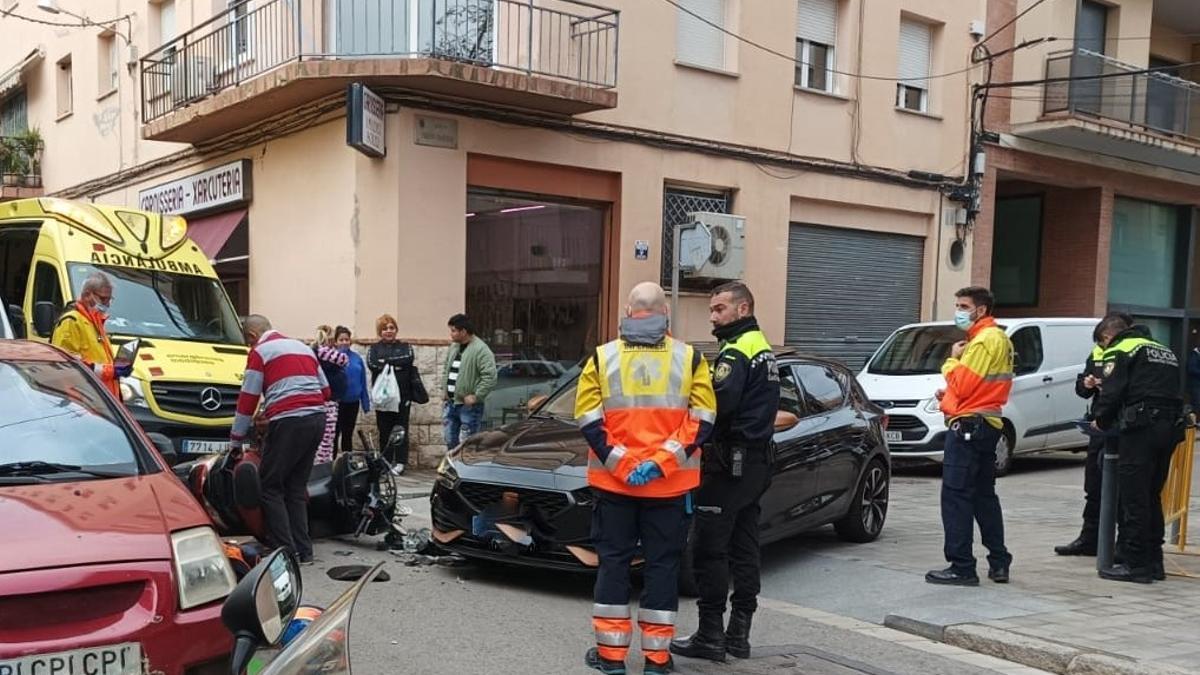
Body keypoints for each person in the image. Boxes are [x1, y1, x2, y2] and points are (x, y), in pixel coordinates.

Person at [576, 282, 717, 675]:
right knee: (662, 567)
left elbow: (588, 417)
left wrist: (622, 463)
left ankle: (611, 658)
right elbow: (703, 419)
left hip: (614, 486)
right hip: (669, 487)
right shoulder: (689, 358)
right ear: (665, 315)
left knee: (614, 565)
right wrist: (660, 464)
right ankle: (656, 660)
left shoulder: (603, 357)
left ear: (627, 311)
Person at [671, 282, 779, 663]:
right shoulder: (762, 348)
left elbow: (717, 408)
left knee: (709, 549)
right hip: (756, 462)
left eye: (719, 309)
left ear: (743, 308)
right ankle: (739, 634)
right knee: (745, 547)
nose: (713, 317)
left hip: (730, 464)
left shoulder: (737, 352)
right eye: (712, 310)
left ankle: (711, 635)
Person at [925, 286, 1015, 587]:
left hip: (968, 427)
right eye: (958, 304)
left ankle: (962, 566)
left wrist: (950, 360)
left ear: (981, 310)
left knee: (956, 496)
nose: (959, 310)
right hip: (987, 423)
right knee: (983, 496)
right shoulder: (1000, 338)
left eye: (964, 305)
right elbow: (979, 387)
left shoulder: (982, 341)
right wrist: (950, 394)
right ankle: (999, 561)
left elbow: (962, 385)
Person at [231, 315, 329, 566]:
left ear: (252, 337)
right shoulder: (303, 347)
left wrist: (236, 440)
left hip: (288, 421)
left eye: (247, 343)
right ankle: (305, 550)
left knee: (270, 486)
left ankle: (284, 551)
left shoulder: (260, 352)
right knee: (296, 487)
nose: (249, 348)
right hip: (316, 418)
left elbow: (247, 399)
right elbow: (325, 390)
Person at [1092, 316, 1183, 583]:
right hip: (1169, 428)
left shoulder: (1121, 348)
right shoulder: (1163, 350)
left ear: (1109, 336)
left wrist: (1100, 419)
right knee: (1152, 495)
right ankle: (1155, 562)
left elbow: (1112, 390)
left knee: (1134, 498)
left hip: (1140, 429)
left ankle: (1136, 565)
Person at [1056, 313, 1132, 557]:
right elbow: (1081, 390)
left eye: (1103, 340)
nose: (1101, 345)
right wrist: (1088, 384)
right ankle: (1090, 539)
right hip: (1099, 424)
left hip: (1123, 425)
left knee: (1122, 487)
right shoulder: (1097, 353)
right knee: (1094, 484)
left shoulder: (1130, 352)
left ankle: (1120, 544)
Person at [51, 271, 129, 397]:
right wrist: (111, 371)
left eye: (110, 299)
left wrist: (116, 367)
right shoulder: (72, 321)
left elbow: (97, 358)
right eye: (103, 299)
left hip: (99, 400)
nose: (107, 304)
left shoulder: (95, 320)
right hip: (83, 400)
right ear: (87, 295)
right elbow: (69, 366)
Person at [367, 314, 426, 474]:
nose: (388, 331)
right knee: (384, 430)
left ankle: (400, 462)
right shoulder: (374, 349)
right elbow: (373, 364)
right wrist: (394, 364)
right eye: (385, 328)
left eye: (391, 328)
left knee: (401, 429)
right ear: (380, 331)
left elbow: (407, 358)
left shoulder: (405, 347)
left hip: (403, 396)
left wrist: (385, 362)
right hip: (383, 399)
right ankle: (385, 461)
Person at [441, 313, 496, 449]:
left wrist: (477, 396)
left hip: (469, 407)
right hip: (451, 403)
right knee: (450, 439)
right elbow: (446, 369)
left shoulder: (481, 350)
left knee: (468, 443)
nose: (451, 334)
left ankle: (466, 468)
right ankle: (452, 466)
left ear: (463, 331)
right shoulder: (454, 347)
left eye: (453, 331)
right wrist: (445, 389)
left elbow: (490, 376)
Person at [313, 325, 349, 465]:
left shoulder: (318, 351)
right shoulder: (324, 351)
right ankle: (322, 463)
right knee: (327, 436)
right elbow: (344, 359)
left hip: (329, 399)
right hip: (328, 401)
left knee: (327, 436)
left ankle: (323, 462)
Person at [334, 325, 371, 456]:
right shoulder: (332, 358)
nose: (344, 342)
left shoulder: (357, 358)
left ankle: (346, 463)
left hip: (353, 402)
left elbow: (362, 381)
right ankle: (330, 465)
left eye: (347, 339)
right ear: (335, 342)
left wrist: (365, 402)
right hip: (337, 403)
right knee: (334, 434)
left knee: (347, 434)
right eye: (341, 340)